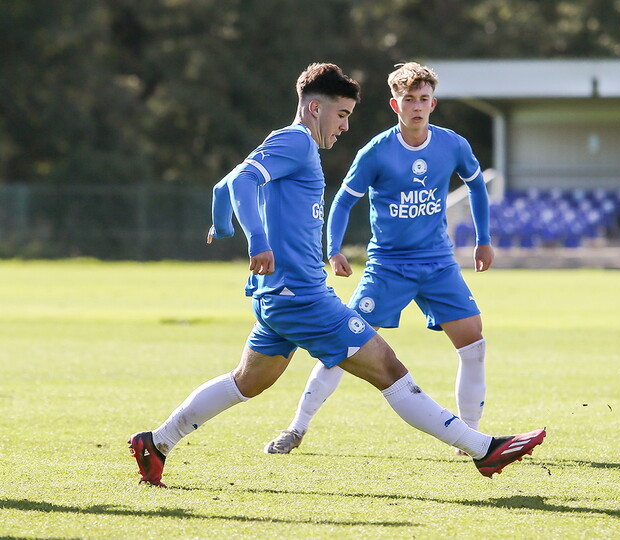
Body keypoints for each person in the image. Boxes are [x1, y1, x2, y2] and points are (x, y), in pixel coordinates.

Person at [127, 62, 545, 487]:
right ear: (313, 108)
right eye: (342, 115)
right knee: (390, 369)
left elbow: (225, 187)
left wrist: (222, 223)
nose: (345, 126)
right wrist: (257, 239)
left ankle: (156, 442)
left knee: (247, 381)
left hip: (281, 295)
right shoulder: (295, 142)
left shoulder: (292, 144)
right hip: (301, 297)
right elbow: (240, 184)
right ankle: (484, 450)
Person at [263, 62, 494, 455]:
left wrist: (483, 239)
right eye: (409, 100)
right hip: (388, 268)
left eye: (424, 99)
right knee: (342, 345)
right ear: (395, 104)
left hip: (438, 264)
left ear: (433, 104)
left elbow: (476, 187)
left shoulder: (452, 144)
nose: (417, 106)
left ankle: (469, 437)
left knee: (474, 345)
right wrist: (333, 248)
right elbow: (343, 202)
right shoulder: (377, 151)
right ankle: (296, 429)